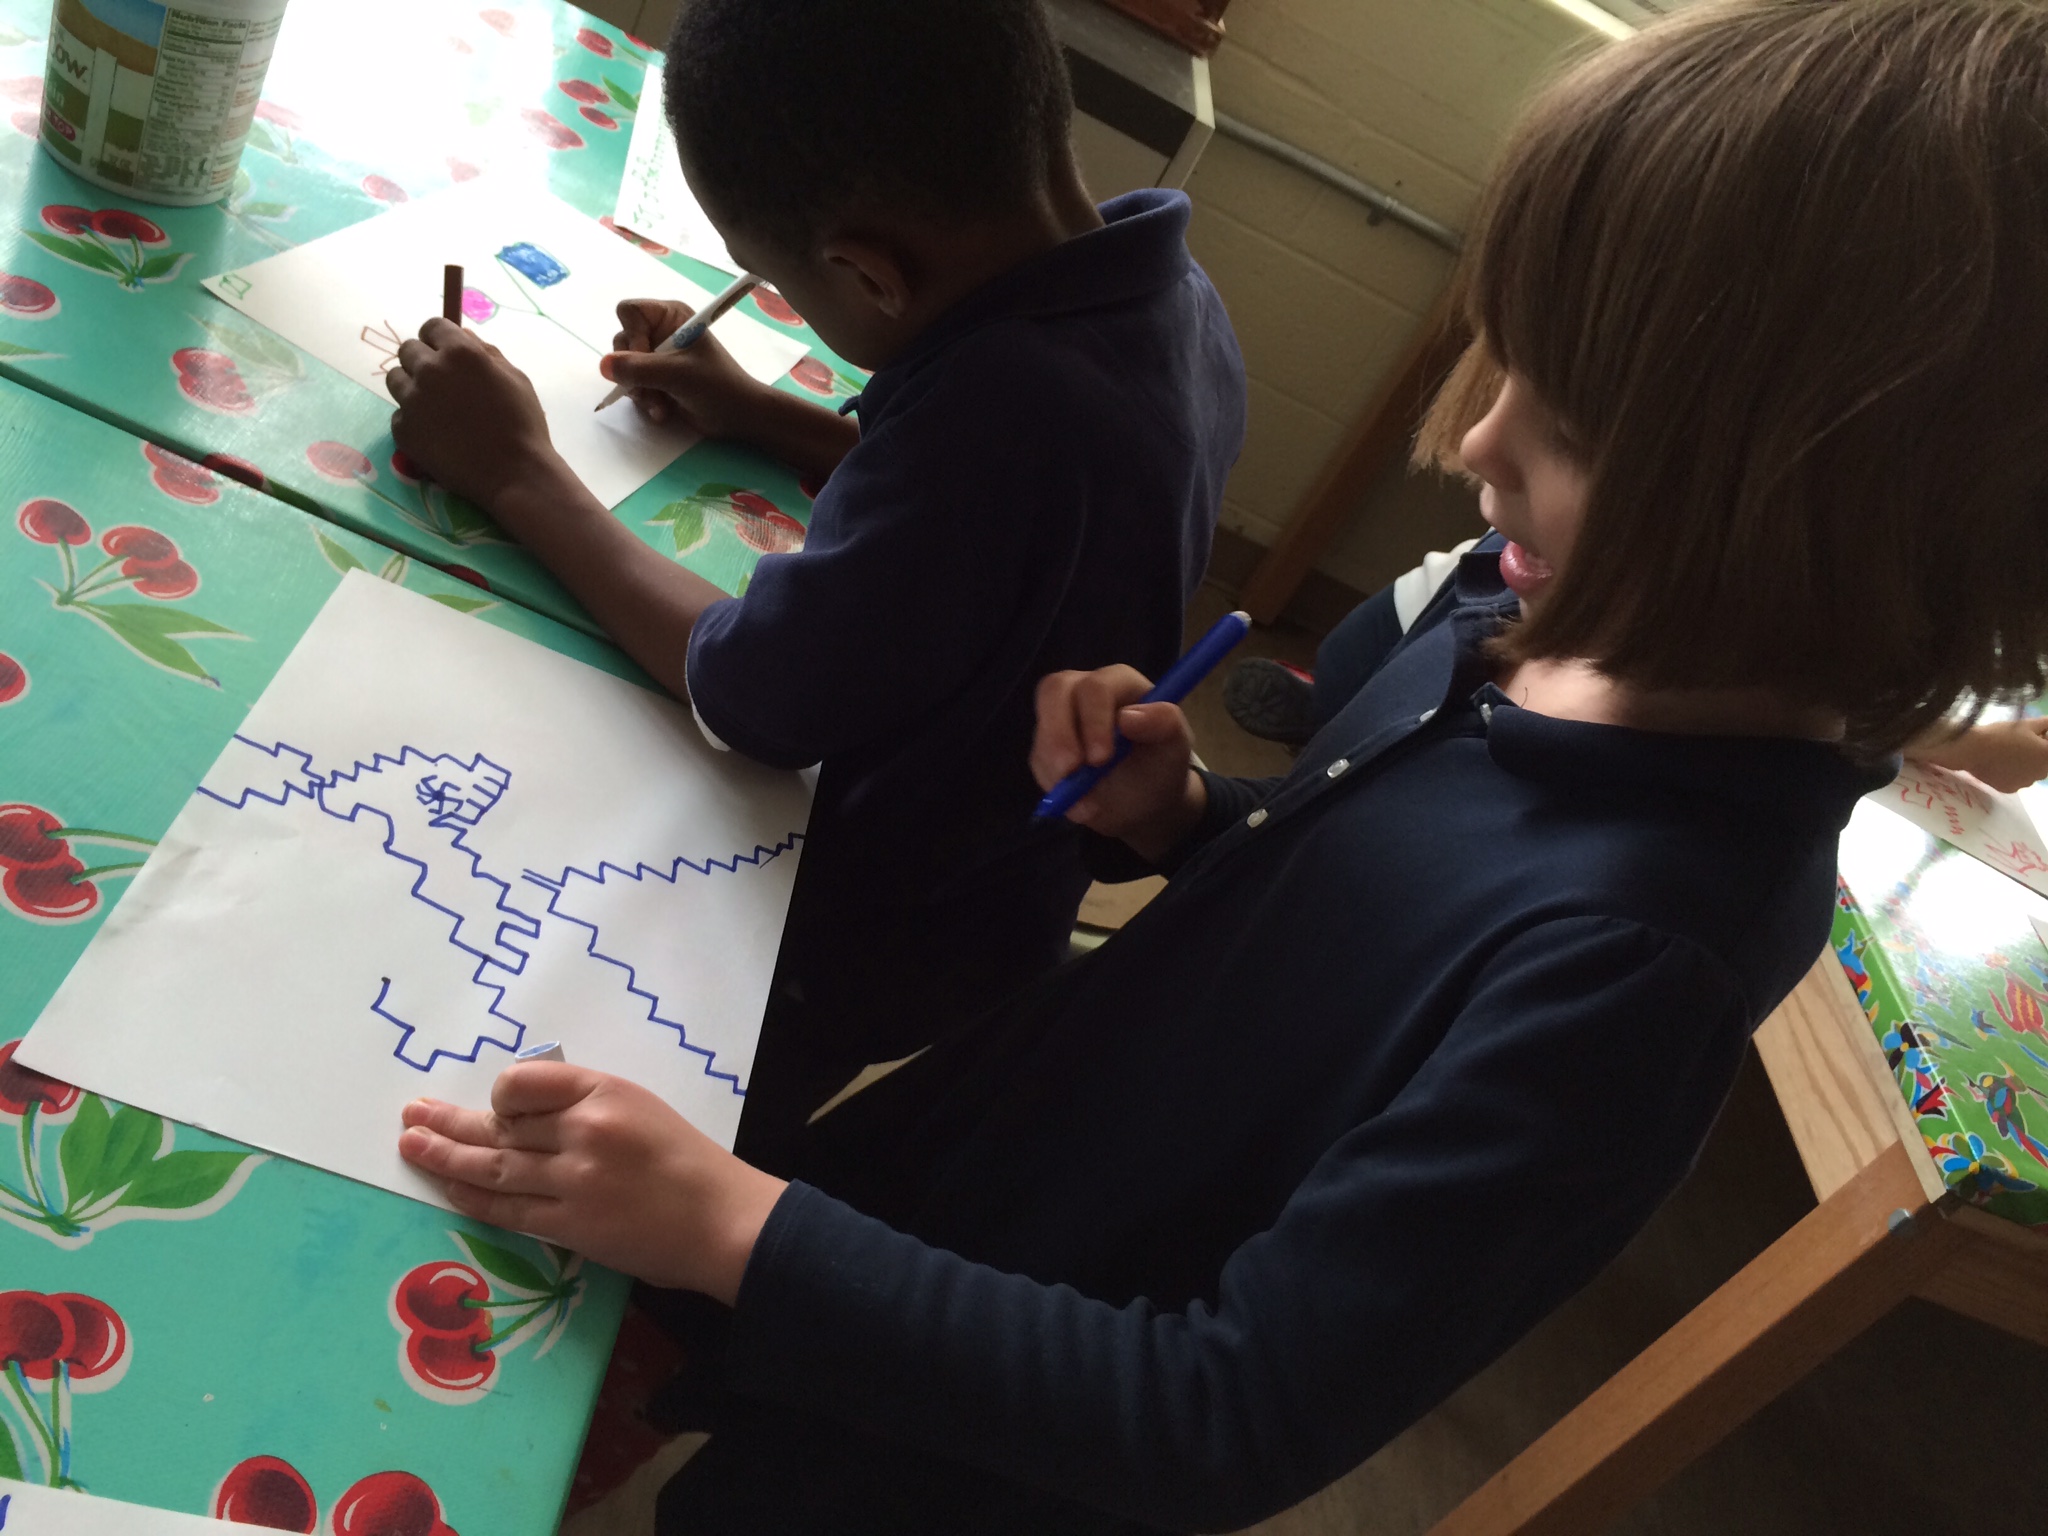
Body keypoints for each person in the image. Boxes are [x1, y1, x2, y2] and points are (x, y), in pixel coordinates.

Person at [395, 1, 2048, 1529]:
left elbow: (1225, 1411)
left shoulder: (1640, 970)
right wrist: (1185, 812)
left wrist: (733, 1228)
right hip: (967, 1189)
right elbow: (1338, 914)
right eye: (1510, 362)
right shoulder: (1507, 618)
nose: (1476, 444)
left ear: (1823, 531)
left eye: (1565, 425)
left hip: (1004, 1439)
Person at [382, 0, 1245, 1169]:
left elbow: (753, 694)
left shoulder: (1005, 422)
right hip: (1004, 877)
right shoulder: (1166, 292)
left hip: (863, 926)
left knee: (662, 1124)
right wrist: (761, 412)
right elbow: (1004, 512)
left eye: (778, 285)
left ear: (865, 274)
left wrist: (516, 470)